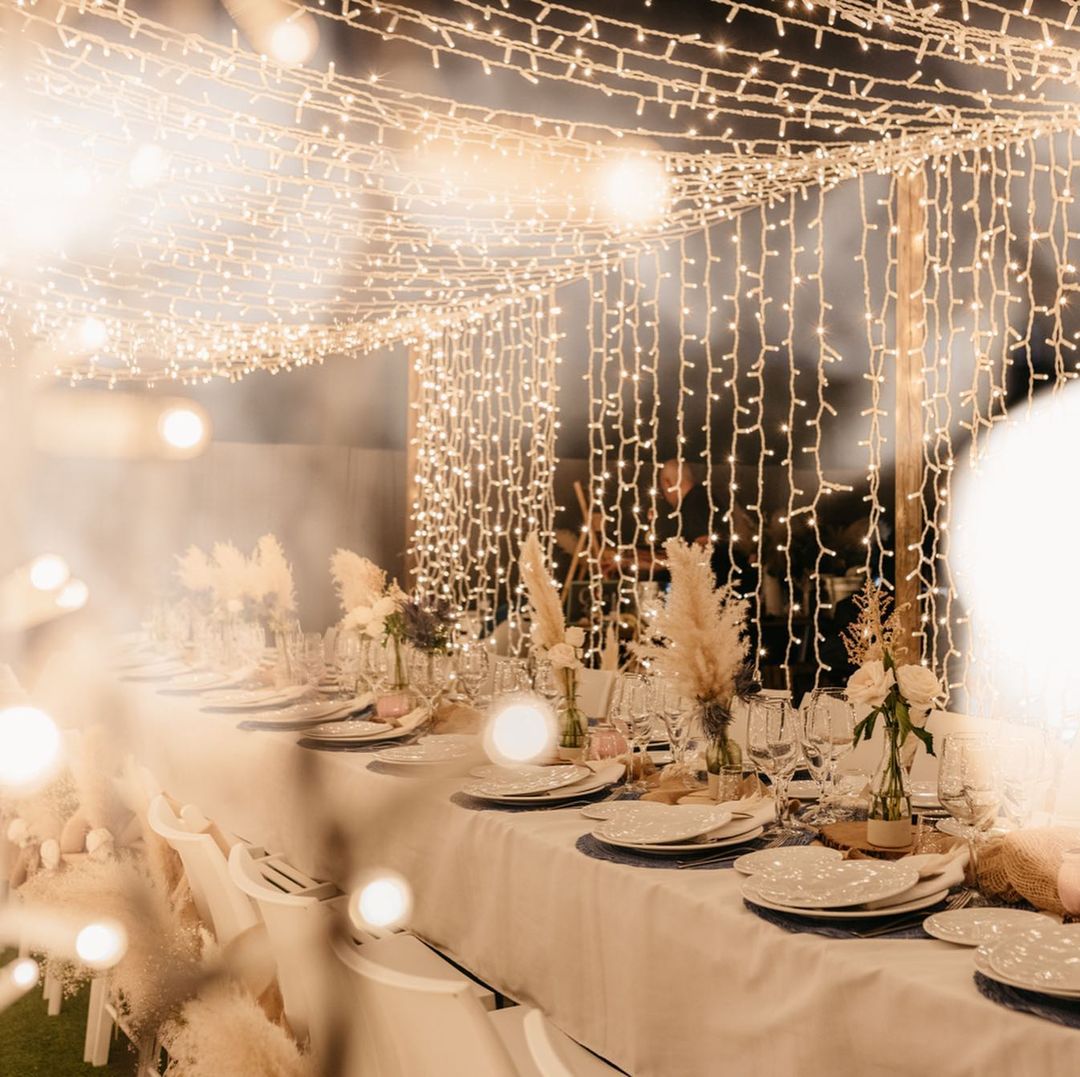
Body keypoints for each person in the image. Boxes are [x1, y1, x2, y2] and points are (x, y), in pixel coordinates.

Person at [652, 459, 711, 547]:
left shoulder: (696, 504)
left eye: (662, 489)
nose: (664, 495)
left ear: (668, 483)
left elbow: (704, 547)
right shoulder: (701, 498)